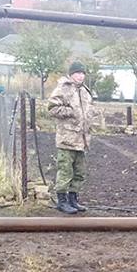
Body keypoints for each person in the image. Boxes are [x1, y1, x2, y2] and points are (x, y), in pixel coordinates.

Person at [48, 61, 94, 215]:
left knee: (79, 172)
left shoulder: (85, 91)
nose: (80, 76)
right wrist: (70, 112)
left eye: (82, 73)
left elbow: (87, 111)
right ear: (71, 74)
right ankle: (62, 201)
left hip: (82, 140)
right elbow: (53, 108)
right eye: (77, 73)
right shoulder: (64, 88)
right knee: (65, 171)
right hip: (67, 138)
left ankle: (73, 199)